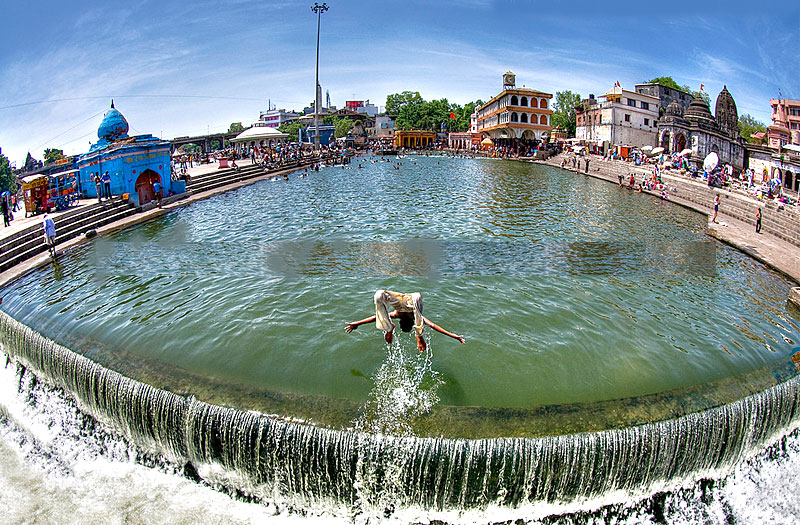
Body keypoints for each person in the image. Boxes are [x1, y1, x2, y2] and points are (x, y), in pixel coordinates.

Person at [345, 290, 465, 352]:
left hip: (399, 301)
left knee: (379, 295)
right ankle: (418, 335)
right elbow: (433, 325)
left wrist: (358, 323)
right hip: (411, 301)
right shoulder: (413, 317)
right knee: (417, 301)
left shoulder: (396, 315)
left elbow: (375, 318)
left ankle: (389, 328)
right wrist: (453, 336)